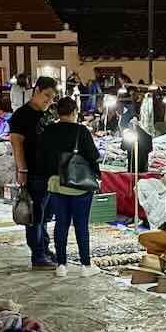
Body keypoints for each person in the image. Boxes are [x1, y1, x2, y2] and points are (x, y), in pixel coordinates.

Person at [39, 97, 102, 277]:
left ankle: (61, 265)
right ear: (74, 112)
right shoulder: (81, 131)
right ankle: (85, 265)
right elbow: (93, 156)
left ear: (58, 112)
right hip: (79, 185)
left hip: (56, 185)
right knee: (81, 225)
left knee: (61, 224)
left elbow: (42, 157)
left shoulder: (49, 131)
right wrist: (98, 176)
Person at [9, 76, 59, 269]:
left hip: (48, 173)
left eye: (52, 98)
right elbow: (16, 143)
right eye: (47, 95)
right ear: (36, 90)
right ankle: (37, 256)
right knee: (35, 216)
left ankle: (44, 249)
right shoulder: (22, 115)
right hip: (34, 173)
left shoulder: (45, 115)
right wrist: (22, 169)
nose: (49, 100)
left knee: (45, 215)